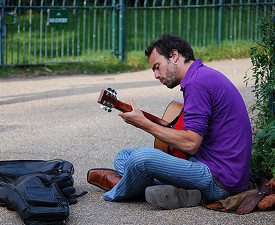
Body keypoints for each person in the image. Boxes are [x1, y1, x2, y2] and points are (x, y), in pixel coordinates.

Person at [87, 33, 252, 209]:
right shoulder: (201, 76)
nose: (156, 75)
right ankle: (181, 192)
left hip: (219, 180)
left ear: (174, 56)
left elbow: (190, 144)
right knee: (124, 156)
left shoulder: (197, 83)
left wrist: (144, 123)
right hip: (208, 165)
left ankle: (117, 190)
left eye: (157, 67)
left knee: (141, 158)